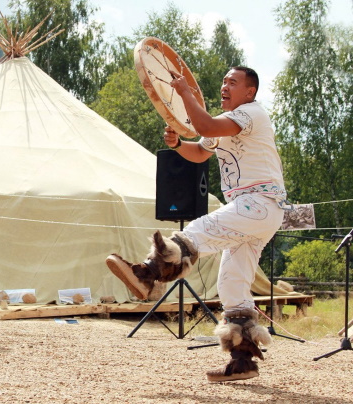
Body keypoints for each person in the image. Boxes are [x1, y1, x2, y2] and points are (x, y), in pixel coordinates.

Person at [106, 66, 286, 382]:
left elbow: (203, 123)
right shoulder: (227, 123)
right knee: (232, 283)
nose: (225, 86)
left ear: (250, 92)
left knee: (197, 231)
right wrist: (177, 144)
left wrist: (185, 92)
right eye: (223, 81)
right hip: (256, 210)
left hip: (258, 203)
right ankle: (243, 362)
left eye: (233, 82)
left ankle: (147, 275)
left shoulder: (250, 114)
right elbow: (200, 153)